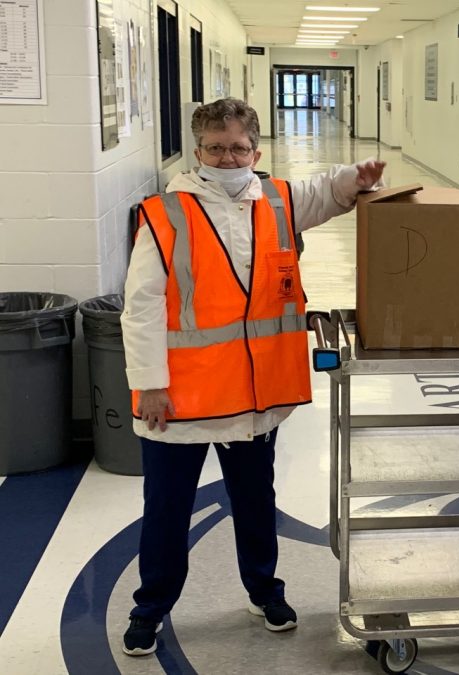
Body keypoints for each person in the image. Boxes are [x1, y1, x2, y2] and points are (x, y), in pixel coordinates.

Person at [120, 97, 385, 656]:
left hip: (252, 395)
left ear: (256, 151)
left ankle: (264, 591)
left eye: (238, 147)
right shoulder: (166, 213)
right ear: (198, 152)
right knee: (166, 510)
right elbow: (140, 306)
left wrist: (354, 178)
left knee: (255, 501)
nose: (227, 157)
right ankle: (150, 608)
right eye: (216, 148)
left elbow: (328, 193)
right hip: (182, 396)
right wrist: (150, 384)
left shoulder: (277, 199)